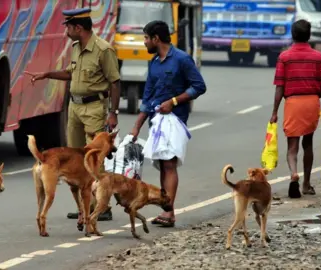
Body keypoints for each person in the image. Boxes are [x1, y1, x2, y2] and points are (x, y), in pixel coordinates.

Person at [25, 8, 121, 221]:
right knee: (76, 157)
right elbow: (70, 73)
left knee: (95, 158)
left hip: (94, 107)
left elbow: (115, 82)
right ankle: (84, 208)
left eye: (68, 27)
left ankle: (101, 207)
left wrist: (113, 112)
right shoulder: (76, 47)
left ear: (79, 27)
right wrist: (47, 74)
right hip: (74, 107)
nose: (66, 31)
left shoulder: (104, 50)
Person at [130, 20, 206, 227]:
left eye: (146, 38)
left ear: (156, 39)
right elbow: (147, 97)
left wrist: (173, 102)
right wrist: (137, 126)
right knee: (163, 165)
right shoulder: (154, 63)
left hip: (176, 121)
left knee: (170, 163)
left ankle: (170, 213)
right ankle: (166, 209)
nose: (144, 42)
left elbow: (199, 86)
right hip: (157, 122)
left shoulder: (182, 59)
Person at [270, 19, 321, 199]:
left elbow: (279, 87)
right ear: (309, 35)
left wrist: (275, 111)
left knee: (292, 146)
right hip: (312, 103)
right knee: (308, 144)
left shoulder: (284, 57)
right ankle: (306, 184)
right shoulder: (318, 57)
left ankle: (293, 174)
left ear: (292, 34)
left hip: (293, 103)